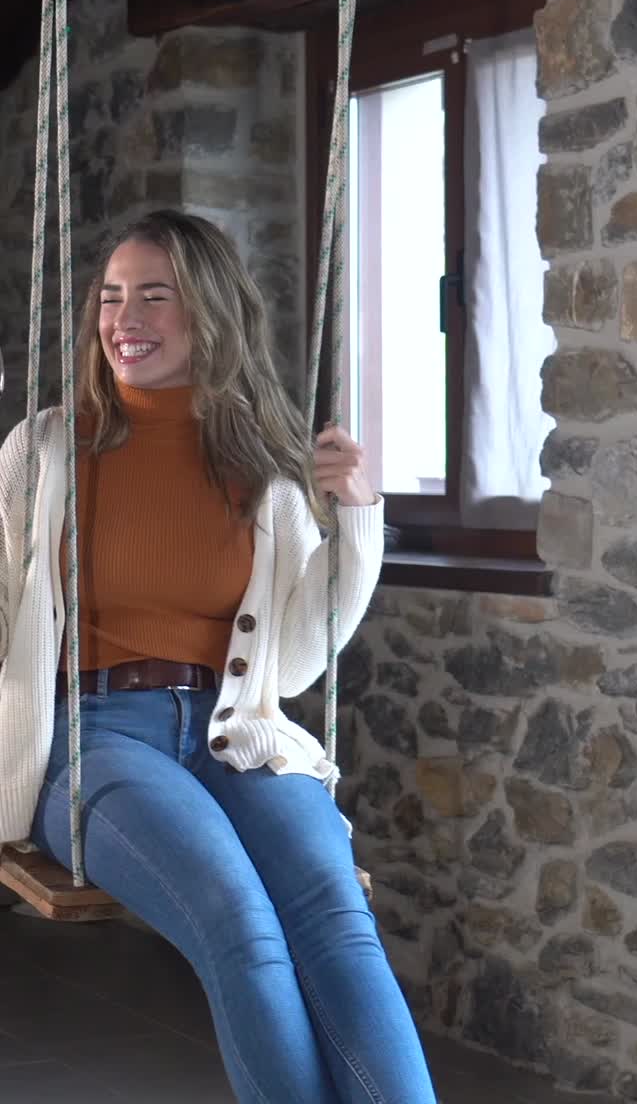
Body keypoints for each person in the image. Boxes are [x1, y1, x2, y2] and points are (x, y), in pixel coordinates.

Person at [0, 210, 438, 1103]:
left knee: (338, 923)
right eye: (113, 297)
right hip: (95, 739)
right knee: (241, 924)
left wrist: (358, 517)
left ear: (211, 314)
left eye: (155, 296)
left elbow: (300, 657)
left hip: (238, 729)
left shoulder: (265, 467)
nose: (126, 317)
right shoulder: (43, 453)